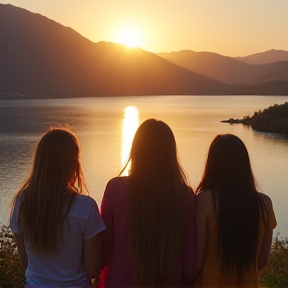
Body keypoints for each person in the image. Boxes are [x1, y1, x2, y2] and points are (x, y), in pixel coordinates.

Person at [100, 119, 196, 288]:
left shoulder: (115, 189)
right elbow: (189, 266)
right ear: (170, 154)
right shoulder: (185, 196)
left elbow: (103, 252)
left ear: (136, 151)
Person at [10, 127, 106, 287]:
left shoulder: (23, 202)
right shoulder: (86, 207)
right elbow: (93, 269)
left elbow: (26, 261)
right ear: (73, 163)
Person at [194, 134, 277, 288]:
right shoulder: (264, 204)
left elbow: (198, 262)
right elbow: (262, 261)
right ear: (244, 164)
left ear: (212, 164)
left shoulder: (205, 201)